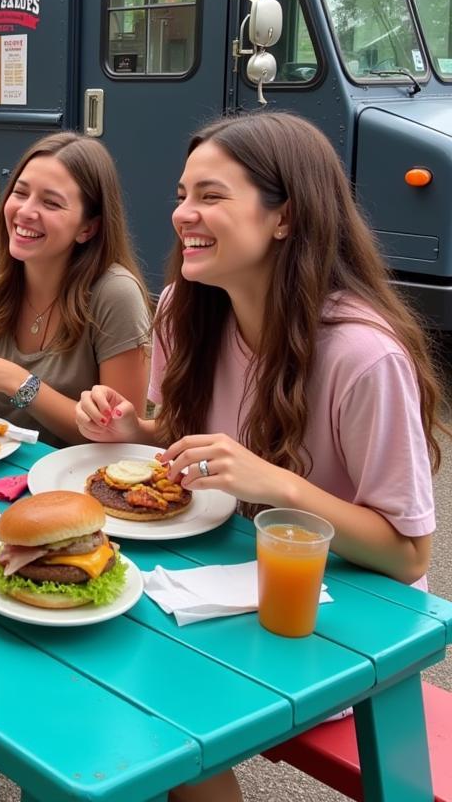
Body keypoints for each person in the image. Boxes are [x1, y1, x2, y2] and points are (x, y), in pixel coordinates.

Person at [76, 112, 443, 802]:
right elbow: (185, 441)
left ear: (284, 218)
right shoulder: (183, 308)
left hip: (337, 614)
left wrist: (279, 484)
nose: (185, 213)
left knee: (144, 689)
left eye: (212, 196)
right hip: (228, 574)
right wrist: (130, 428)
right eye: (183, 195)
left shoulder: (365, 357)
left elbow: (408, 555)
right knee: (86, 650)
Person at [0, 132, 151, 446]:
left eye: (51, 202)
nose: (25, 211)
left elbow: (118, 435)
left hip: (82, 482)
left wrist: (16, 381)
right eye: (20, 192)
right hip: (2, 476)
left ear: (88, 228)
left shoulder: (115, 294)